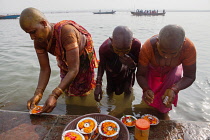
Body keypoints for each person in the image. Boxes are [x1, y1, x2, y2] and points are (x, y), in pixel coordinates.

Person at [19, 7, 98, 113]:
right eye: (29, 33)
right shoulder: (39, 40)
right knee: (67, 87)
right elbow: (44, 69)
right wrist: (38, 93)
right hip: (64, 55)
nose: (32, 37)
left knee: (82, 87)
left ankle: (84, 108)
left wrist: (54, 95)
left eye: (33, 32)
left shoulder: (67, 33)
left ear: (43, 23)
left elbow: (74, 69)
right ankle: (71, 104)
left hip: (82, 54)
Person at [136, 24, 196, 120]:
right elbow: (140, 74)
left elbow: (190, 76)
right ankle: (147, 109)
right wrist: (146, 88)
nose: (167, 56)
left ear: (182, 45)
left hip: (173, 70)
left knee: (168, 95)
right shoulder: (148, 47)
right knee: (149, 97)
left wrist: (175, 89)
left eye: (173, 53)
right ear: (157, 42)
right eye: (163, 51)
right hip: (153, 69)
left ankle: (164, 113)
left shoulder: (188, 48)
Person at [94, 26, 141, 102]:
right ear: (112, 41)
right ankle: (109, 107)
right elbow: (101, 65)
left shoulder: (136, 45)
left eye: (126, 50)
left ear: (132, 42)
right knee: (110, 90)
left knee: (128, 89)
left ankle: (126, 108)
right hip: (112, 72)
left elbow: (139, 66)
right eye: (117, 50)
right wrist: (98, 85)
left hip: (128, 72)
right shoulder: (104, 48)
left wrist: (131, 63)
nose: (121, 54)